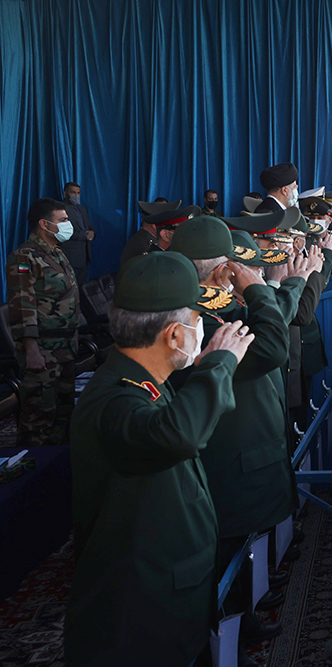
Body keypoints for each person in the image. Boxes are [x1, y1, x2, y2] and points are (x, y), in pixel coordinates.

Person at [64, 251, 253, 666]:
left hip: (172, 588)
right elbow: (175, 435)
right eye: (197, 320)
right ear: (173, 336)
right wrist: (219, 365)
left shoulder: (147, 380)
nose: (203, 329)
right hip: (139, 610)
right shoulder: (113, 399)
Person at [170, 214, 314, 655]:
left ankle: (242, 613)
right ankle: (226, 638)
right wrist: (259, 288)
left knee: (237, 551)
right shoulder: (200, 319)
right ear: (220, 273)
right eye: (235, 270)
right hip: (223, 459)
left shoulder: (213, 308)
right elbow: (270, 346)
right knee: (221, 558)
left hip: (242, 447)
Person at [5, 198, 80, 446]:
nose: (69, 225)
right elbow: (22, 307)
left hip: (65, 348)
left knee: (63, 416)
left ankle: (56, 469)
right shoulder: (24, 257)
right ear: (44, 224)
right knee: (38, 419)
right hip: (43, 353)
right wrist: (31, 349)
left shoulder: (57, 254)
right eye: (63, 220)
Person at [60, 182, 96, 286]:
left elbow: (89, 227)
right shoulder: (60, 209)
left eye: (78, 193)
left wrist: (93, 233)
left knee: (82, 289)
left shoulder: (82, 209)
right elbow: (63, 233)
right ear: (65, 193)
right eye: (73, 192)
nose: (76, 195)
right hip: (70, 257)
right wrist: (85, 235)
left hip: (84, 257)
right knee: (69, 289)